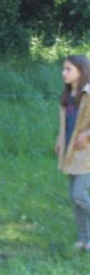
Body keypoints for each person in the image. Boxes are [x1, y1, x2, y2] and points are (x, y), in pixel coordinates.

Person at [55, 55, 90, 252]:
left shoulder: (88, 93)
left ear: (81, 71)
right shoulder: (68, 96)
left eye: (68, 69)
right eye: (63, 68)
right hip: (71, 152)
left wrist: (87, 134)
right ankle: (84, 239)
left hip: (86, 154)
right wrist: (60, 139)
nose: (64, 73)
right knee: (74, 198)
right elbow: (67, 124)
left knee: (79, 195)